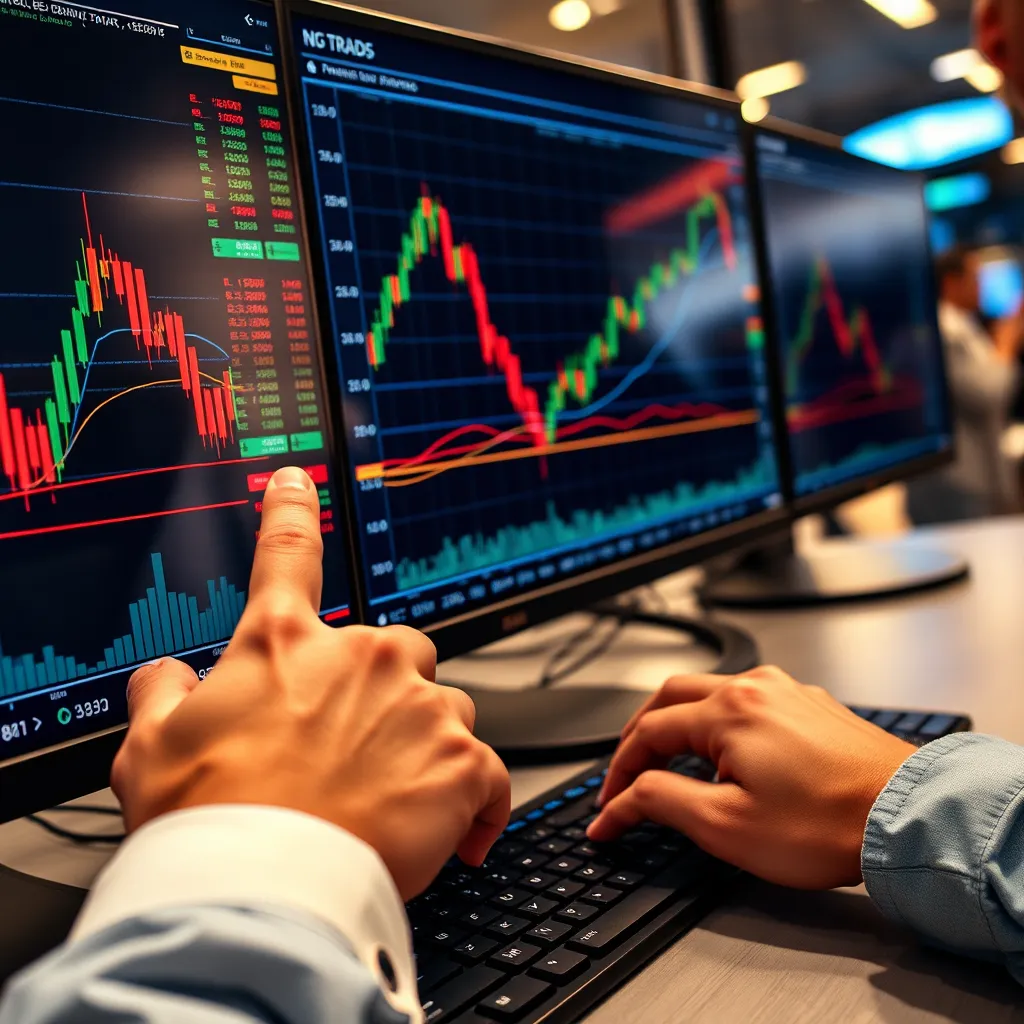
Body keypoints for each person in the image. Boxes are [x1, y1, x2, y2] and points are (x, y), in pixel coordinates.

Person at [906, 245, 1022, 524]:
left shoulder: (959, 326)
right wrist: (1006, 346)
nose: (981, 287)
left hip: (966, 476)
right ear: (951, 283)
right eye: (975, 278)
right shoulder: (944, 333)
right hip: (955, 483)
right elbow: (986, 393)